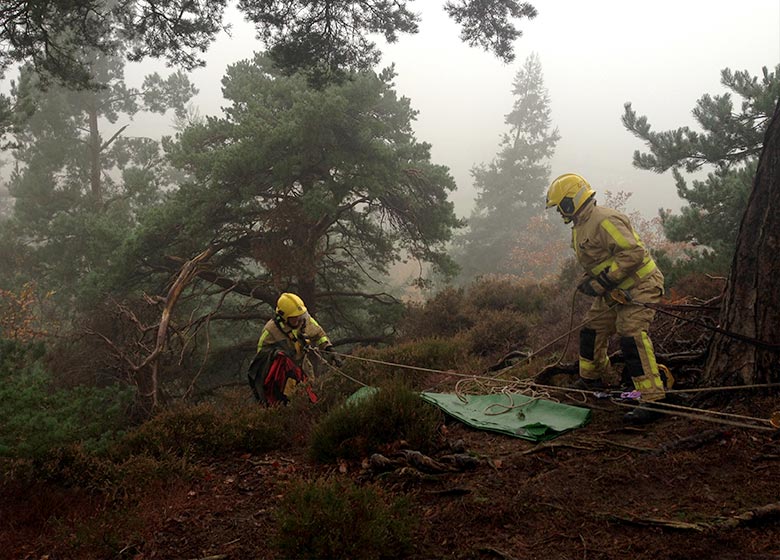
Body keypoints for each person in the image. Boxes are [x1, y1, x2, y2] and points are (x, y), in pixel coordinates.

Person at [545, 173, 667, 424]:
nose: (559, 212)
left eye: (561, 206)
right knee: (591, 329)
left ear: (572, 200)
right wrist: (590, 280)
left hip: (641, 286)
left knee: (631, 333)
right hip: (615, 291)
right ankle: (593, 379)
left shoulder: (605, 219)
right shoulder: (581, 225)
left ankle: (653, 399)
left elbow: (633, 253)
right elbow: (599, 260)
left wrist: (602, 281)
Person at [247, 292, 341, 405]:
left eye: (300, 316)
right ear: (283, 317)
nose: (299, 320)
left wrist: (329, 348)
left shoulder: (305, 321)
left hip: (304, 369)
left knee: (312, 398)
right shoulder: (271, 331)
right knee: (289, 403)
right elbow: (261, 357)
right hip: (284, 376)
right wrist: (277, 355)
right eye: (294, 318)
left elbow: (319, 334)